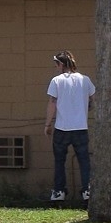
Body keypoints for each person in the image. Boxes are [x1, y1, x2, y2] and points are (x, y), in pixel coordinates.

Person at [47, 52, 93, 204]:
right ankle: (87, 190)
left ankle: (59, 191)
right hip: (81, 127)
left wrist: (47, 124)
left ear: (61, 64)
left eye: (57, 64)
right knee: (84, 160)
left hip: (62, 127)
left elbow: (52, 102)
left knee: (59, 160)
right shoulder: (85, 80)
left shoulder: (56, 81)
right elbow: (92, 98)